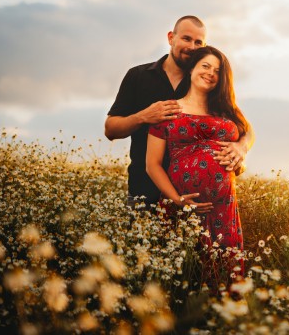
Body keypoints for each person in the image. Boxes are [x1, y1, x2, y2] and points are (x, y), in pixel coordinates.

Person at [105, 15, 254, 208]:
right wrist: (143, 116)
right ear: (170, 38)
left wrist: (241, 147)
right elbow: (110, 129)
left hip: (199, 200)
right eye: (186, 39)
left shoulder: (204, 81)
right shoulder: (138, 76)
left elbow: (246, 128)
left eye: (198, 42)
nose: (192, 47)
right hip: (145, 194)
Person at [145, 46, 248, 285]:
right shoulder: (168, 109)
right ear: (192, 68)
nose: (211, 73)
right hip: (182, 208)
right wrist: (178, 201)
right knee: (184, 278)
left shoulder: (226, 111)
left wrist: (242, 147)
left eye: (218, 70)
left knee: (225, 276)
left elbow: (248, 132)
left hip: (224, 210)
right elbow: (152, 164)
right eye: (206, 66)